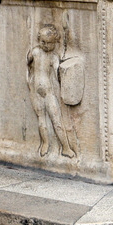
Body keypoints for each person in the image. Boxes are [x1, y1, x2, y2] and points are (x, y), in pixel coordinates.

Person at [26, 23, 76, 158]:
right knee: (41, 119)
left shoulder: (53, 57)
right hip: (36, 91)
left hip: (49, 92)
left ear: (54, 42)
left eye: (49, 43)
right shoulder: (36, 52)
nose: (45, 45)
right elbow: (28, 64)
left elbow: (59, 73)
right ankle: (45, 143)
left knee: (56, 120)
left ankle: (65, 147)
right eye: (42, 42)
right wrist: (29, 79)